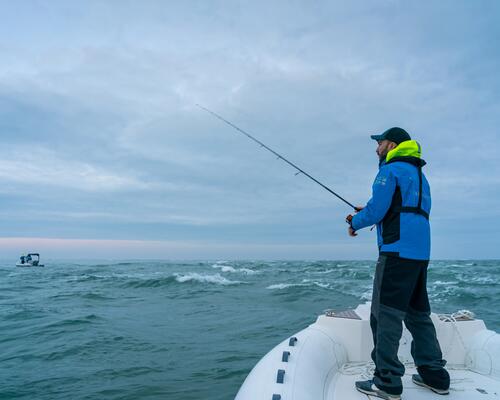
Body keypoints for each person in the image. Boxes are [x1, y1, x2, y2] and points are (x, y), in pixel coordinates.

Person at [346, 127, 450, 400]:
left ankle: (387, 381)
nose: (376, 148)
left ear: (391, 144)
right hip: (419, 254)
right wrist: (370, 212)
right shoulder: (419, 174)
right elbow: (399, 209)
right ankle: (435, 375)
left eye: (379, 143)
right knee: (418, 314)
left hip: (395, 253)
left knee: (385, 316)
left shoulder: (389, 171)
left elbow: (378, 209)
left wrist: (355, 222)